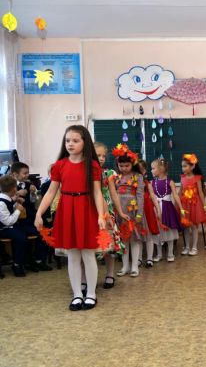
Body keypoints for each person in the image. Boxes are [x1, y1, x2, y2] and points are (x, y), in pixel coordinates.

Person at [34, 125, 106, 311]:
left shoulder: (93, 165)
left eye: (75, 140)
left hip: (86, 209)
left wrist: (101, 215)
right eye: (67, 140)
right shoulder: (59, 165)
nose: (70, 144)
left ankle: (91, 294)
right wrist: (39, 212)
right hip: (67, 210)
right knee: (73, 255)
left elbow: (97, 192)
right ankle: (77, 294)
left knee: (88, 254)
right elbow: (51, 192)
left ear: (85, 143)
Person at [94, 142, 127, 289]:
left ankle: (110, 274)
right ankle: (88, 278)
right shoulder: (84, 172)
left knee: (109, 244)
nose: (101, 158)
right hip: (91, 212)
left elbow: (113, 194)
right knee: (91, 246)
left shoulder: (108, 173)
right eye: (98, 155)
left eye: (103, 156)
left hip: (107, 213)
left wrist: (120, 211)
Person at [9, 162, 50, 272]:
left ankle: (39, 259)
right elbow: (5, 202)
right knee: (25, 236)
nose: (27, 175)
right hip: (16, 219)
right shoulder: (9, 186)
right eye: (24, 173)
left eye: (28, 173)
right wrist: (17, 194)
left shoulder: (29, 184)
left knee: (43, 231)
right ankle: (23, 262)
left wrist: (32, 193)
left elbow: (33, 201)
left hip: (30, 216)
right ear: (15, 174)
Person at [113, 144, 144, 278]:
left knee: (134, 239)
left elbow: (140, 195)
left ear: (132, 164)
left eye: (127, 166)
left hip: (133, 211)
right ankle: (125, 266)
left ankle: (134, 266)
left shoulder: (138, 176)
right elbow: (113, 194)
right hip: (120, 211)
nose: (124, 168)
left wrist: (139, 213)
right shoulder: (116, 177)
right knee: (123, 240)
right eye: (121, 166)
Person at [151, 158, 184, 262]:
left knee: (169, 231)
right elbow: (152, 197)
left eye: (153, 168)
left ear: (161, 169)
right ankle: (159, 254)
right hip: (157, 209)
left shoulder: (170, 182)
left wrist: (181, 208)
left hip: (168, 209)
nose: (151, 170)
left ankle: (170, 253)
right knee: (158, 232)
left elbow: (175, 195)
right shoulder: (152, 182)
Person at [0, 175, 30, 277]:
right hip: (3, 228)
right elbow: (8, 222)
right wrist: (18, 210)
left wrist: (16, 201)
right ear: (13, 189)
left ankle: (25, 261)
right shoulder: (1, 202)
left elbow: (11, 204)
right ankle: (17, 264)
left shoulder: (7, 198)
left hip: (11, 226)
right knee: (21, 238)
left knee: (29, 231)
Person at [180, 153, 206, 255]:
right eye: (182, 166)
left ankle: (194, 247)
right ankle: (187, 247)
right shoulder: (182, 177)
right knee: (185, 227)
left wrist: (204, 205)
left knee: (194, 226)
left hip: (195, 205)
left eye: (185, 166)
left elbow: (200, 192)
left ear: (192, 166)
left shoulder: (197, 178)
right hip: (185, 205)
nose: (183, 168)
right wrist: (177, 203)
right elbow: (181, 191)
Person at [138, 160, 161, 267]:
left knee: (149, 236)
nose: (138, 172)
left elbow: (153, 197)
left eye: (141, 170)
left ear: (144, 171)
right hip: (137, 212)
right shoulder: (132, 183)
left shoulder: (147, 183)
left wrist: (158, 209)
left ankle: (149, 258)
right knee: (138, 237)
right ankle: (138, 259)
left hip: (147, 212)